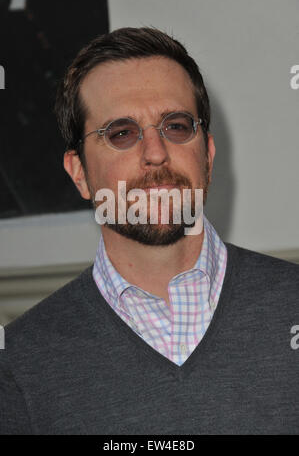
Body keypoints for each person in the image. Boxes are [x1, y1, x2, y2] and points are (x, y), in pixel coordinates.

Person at [1, 27, 299, 435]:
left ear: (207, 156)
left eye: (176, 126)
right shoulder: (19, 366)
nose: (156, 152)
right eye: (121, 133)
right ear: (79, 173)